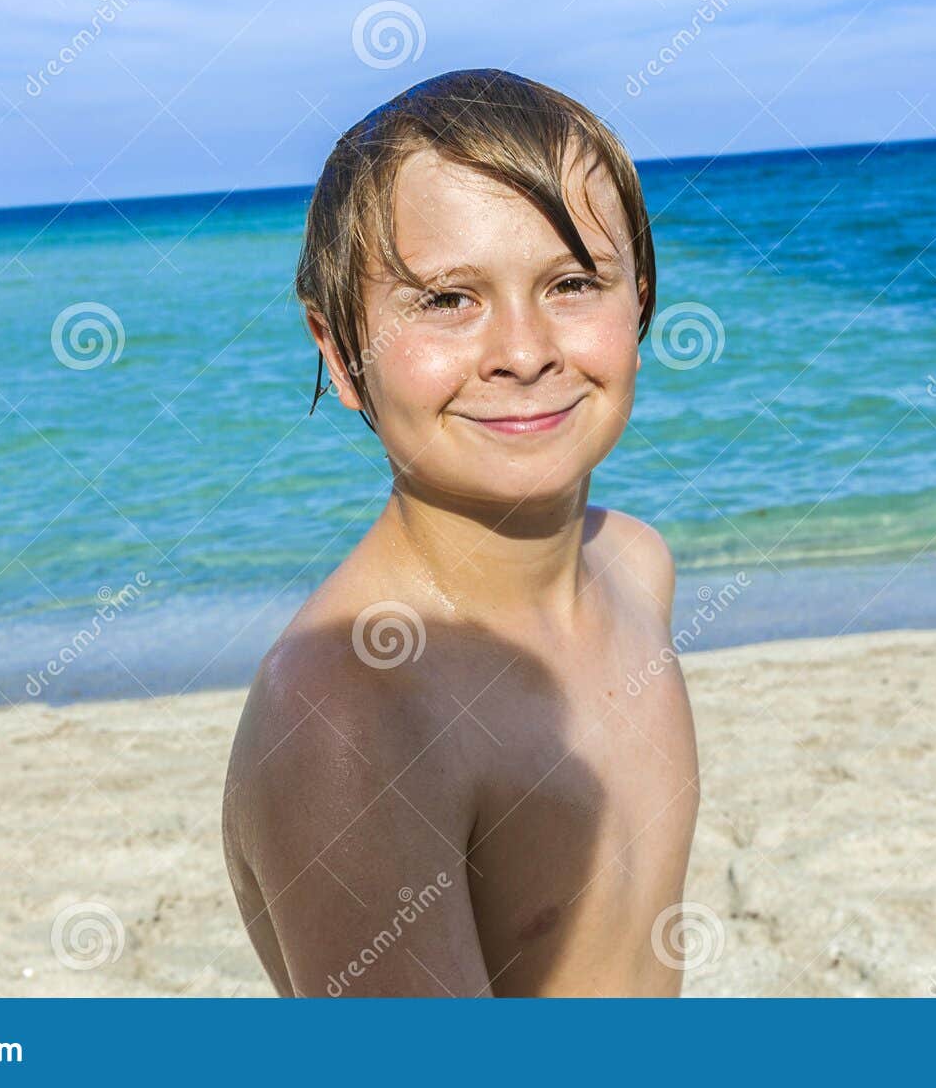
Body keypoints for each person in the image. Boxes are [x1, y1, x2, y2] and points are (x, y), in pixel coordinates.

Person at [222, 68, 698, 996]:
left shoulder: (636, 567)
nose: (524, 352)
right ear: (342, 355)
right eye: (447, 300)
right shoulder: (352, 712)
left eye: (572, 282)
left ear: (639, 306)